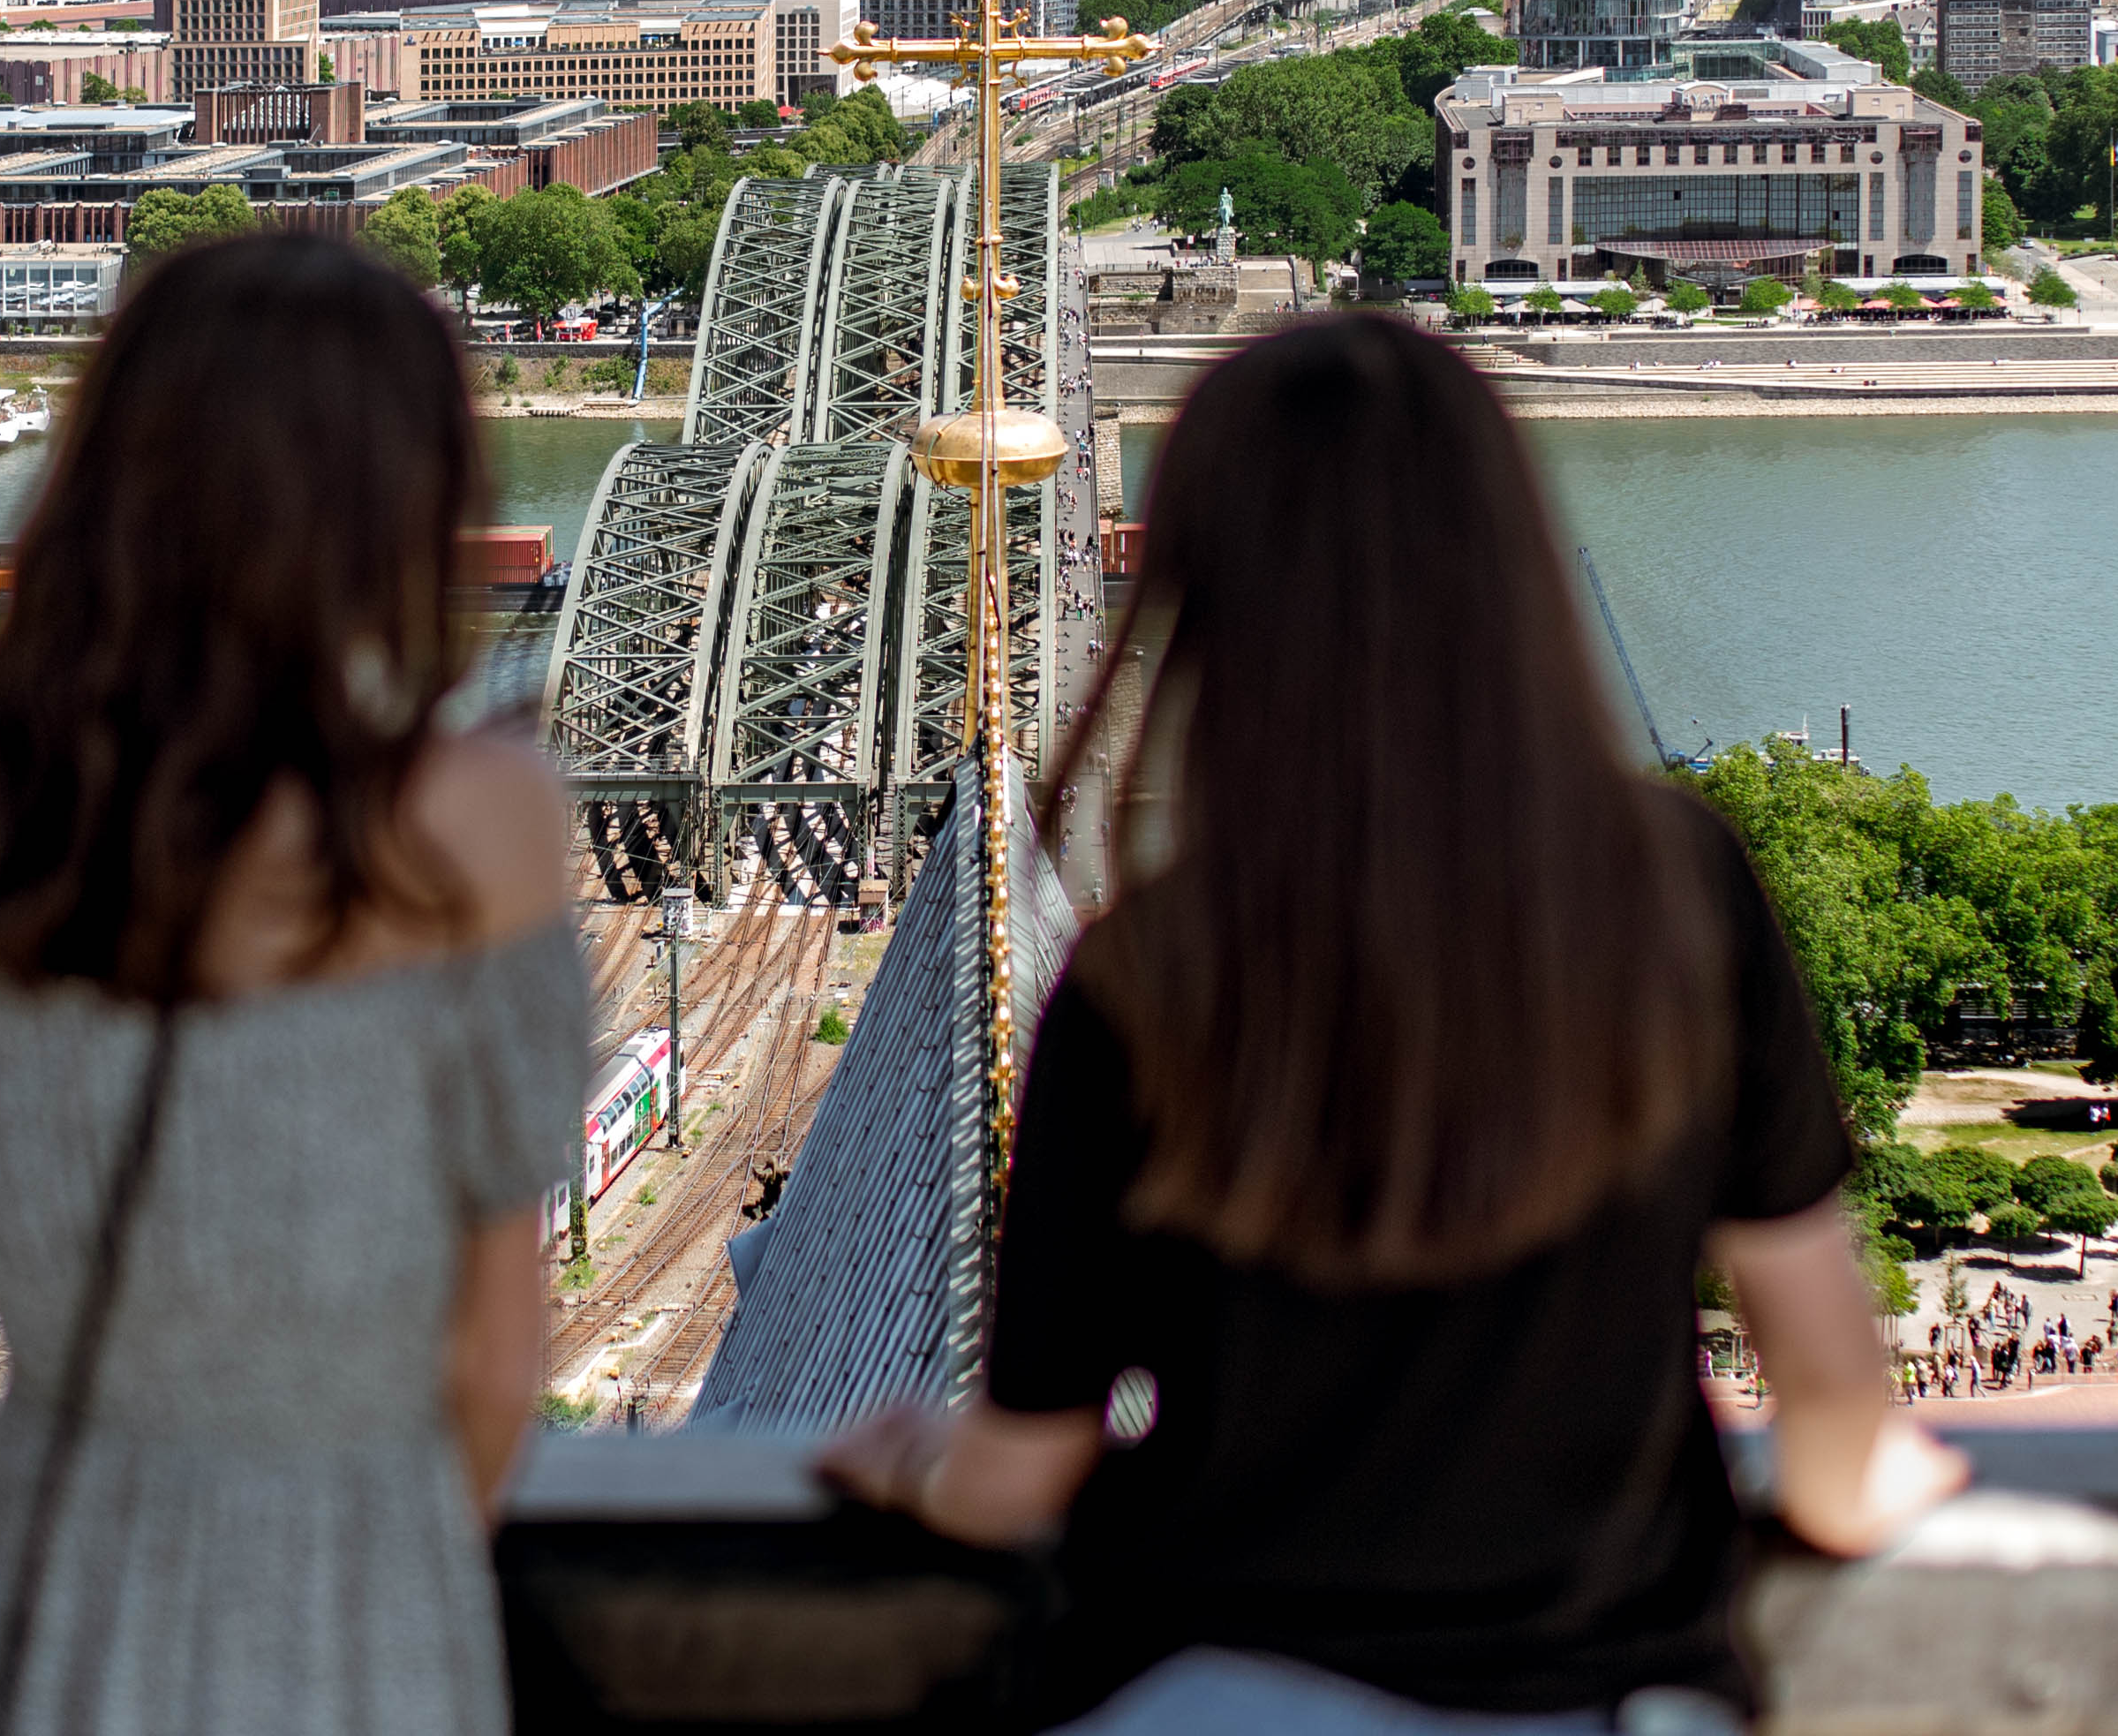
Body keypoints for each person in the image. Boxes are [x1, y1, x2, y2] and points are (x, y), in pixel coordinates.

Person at [821, 319, 1965, 1733]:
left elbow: (1017, 1478)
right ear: (1508, 558)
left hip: (1226, 1694)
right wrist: (1898, 1486)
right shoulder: (1675, 889)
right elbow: (1837, 1423)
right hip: (1605, 1696)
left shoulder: (1148, 974)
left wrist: (905, 1466)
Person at [0, 233, 584, 1736]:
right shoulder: (485, 830)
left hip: (18, 1655)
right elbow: (499, 1376)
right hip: (369, 1658)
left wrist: (83, 1504)